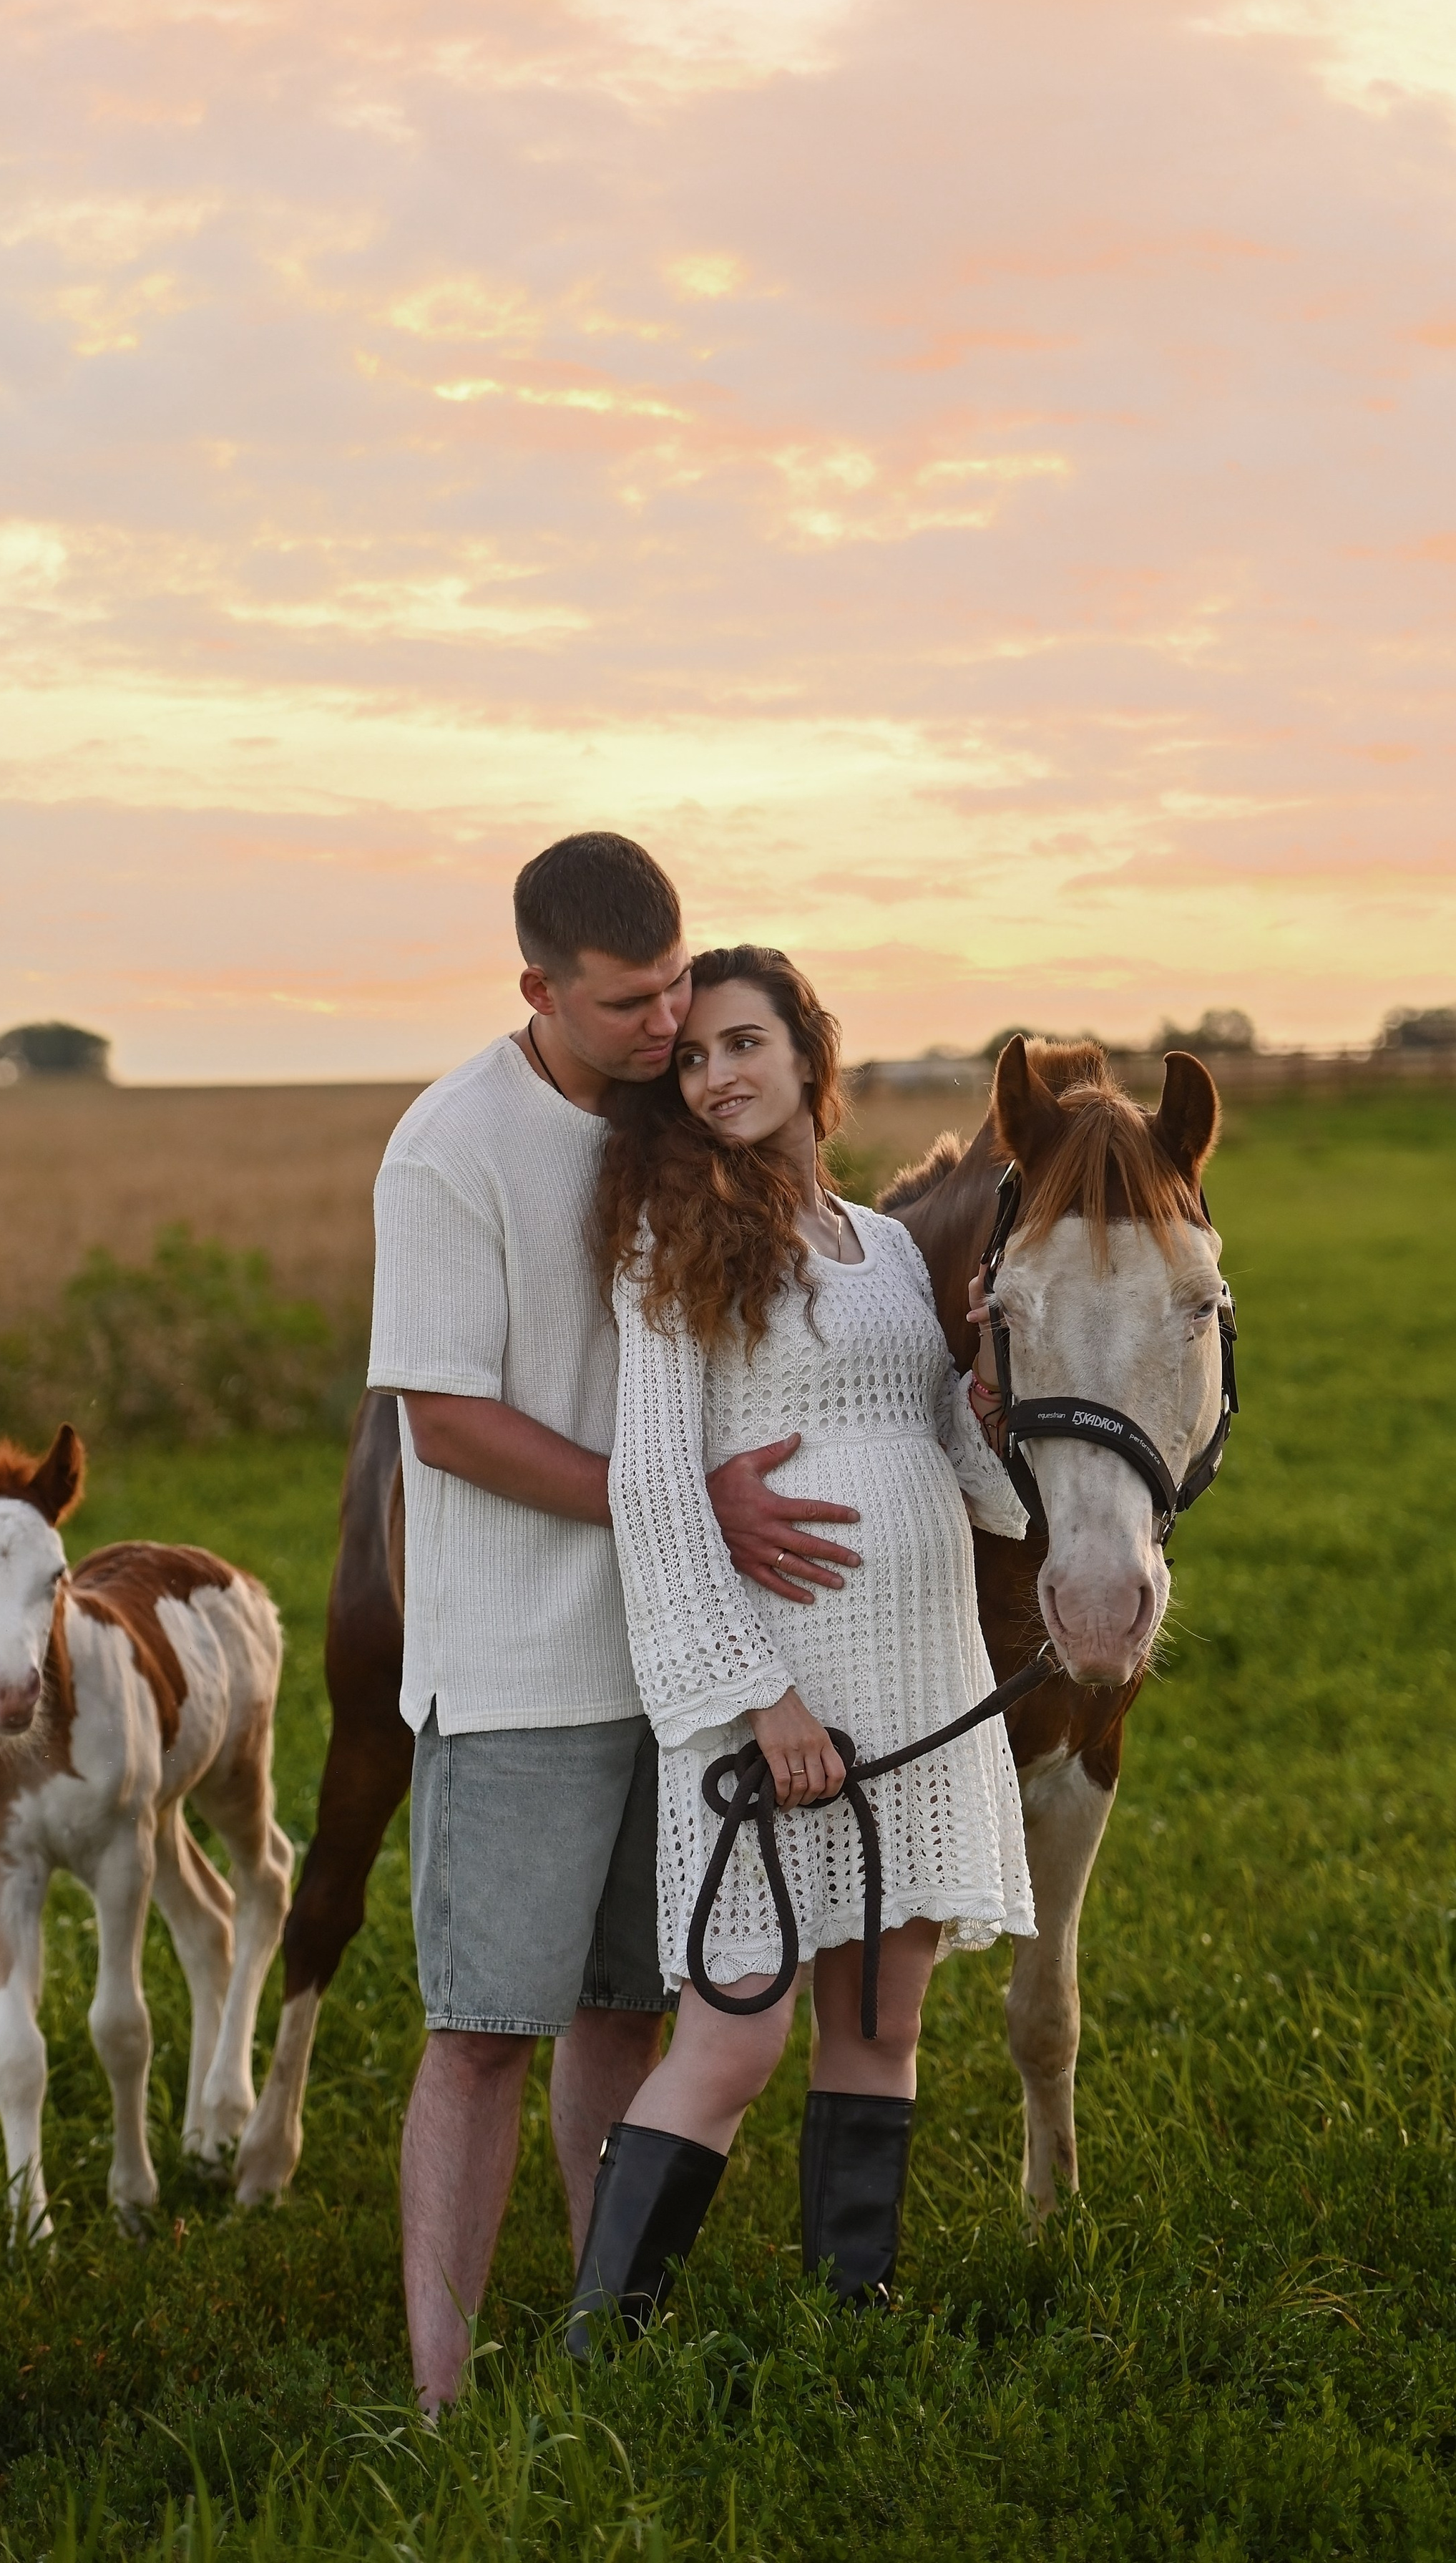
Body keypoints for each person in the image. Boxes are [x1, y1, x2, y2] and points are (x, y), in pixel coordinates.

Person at [368, 842, 864, 2410]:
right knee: (482, 2033)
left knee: (624, 2011)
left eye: (676, 990)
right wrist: (674, 1506)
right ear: (538, 988)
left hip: (685, 1661)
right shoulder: (450, 1148)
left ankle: (606, 2342)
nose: (668, 1025)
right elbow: (444, 1422)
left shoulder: (675, 1114)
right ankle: (441, 2398)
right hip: (518, 1668)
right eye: (630, 1003)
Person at [564, 945, 1035, 2352]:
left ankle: (851, 2331)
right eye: (692, 1058)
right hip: (778, 1693)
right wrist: (758, 1699)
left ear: (806, 1053)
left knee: (881, 2025)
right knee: (733, 2038)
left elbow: (958, 1472)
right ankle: (601, 2350)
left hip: (918, 1680)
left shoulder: (882, 1247)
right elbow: (655, 1491)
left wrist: (990, 1404)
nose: (716, 1076)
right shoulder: (673, 1240)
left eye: (742, 1044)